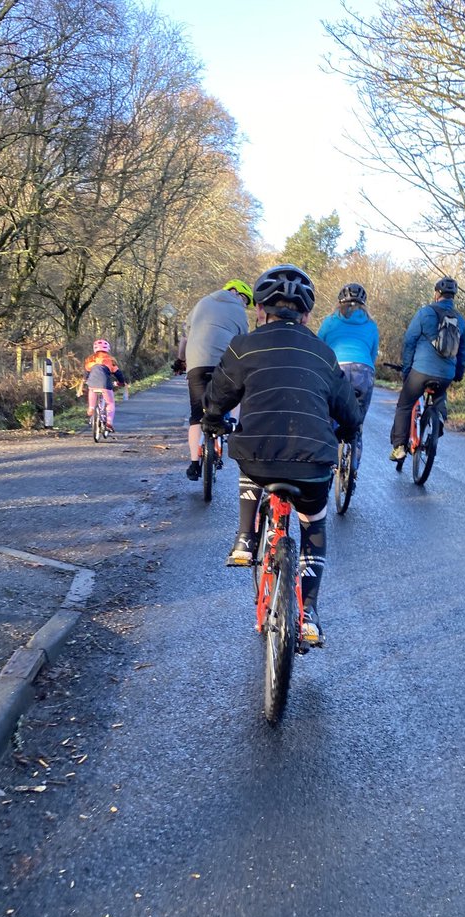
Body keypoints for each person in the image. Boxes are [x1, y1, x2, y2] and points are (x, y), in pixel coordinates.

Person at [201, 264, 361, 648]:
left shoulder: (243, 346)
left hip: (258, 458)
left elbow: (217, 397)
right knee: (313, 525)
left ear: (259, 310)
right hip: (313, 462)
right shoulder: (324, 354)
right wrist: (345, 431)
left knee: (252, 452)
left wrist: (213, 421)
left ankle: (244, 538)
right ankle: (310, 614)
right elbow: (350, 414)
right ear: (306, 316)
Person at [176, 279, 253, 480]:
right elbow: (244, 343)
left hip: (197, 364)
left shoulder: (201, 303)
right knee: (238, 390)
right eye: (245, 300)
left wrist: (180, 360)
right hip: (224, 365)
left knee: (196, 416)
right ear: (236, 293)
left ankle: (194, 464)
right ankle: (232, 423)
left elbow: (185, 338)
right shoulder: (239, 312)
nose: (244, 305)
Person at [390, 277, 465, 461]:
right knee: (440, 395)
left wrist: (407, 370)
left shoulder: (425, 313)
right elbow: (463, 350)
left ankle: (399, 447)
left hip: (421, 371)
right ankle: (438, 416)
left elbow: (409, 341)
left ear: (437, 294)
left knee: (404, 405)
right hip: (446, 374)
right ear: (453, 296)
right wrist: (458, 374)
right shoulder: (460, 320)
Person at [316, 283, 379, 468]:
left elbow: (319, 348)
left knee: (328, 416)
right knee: (357, 421)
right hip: (364, 370)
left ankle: (327, 461)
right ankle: (353, 466)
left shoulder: (330, 321)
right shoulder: (371, 325)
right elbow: (373, 354)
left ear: (339, 302)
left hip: (337, 368)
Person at [79, 339, 128, 431]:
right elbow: (118, 374)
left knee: (91, 390)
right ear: (107, 349)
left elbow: (86, 374)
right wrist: (121, 382)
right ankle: (109, 423)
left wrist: (85, 381)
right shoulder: (110, 360)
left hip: (92, 384)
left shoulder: (90, 360)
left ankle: (91, 408)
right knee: (110, 403)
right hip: (105, 385)